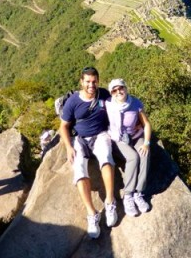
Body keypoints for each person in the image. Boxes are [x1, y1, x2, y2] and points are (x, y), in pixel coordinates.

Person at [59, 67, 118, 239]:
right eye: (87, 82)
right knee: (79, 171)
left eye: (94, 81)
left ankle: (109, 201)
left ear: (98, 81)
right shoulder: (73, 102)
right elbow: (63, 126)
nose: (91, 85)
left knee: (106, 159)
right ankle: (92, 213)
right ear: (81, 82)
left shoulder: (104, 94)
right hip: (80, 139)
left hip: (100, 135)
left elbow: (120, 105)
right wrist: (69, 147)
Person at [106, 78, 152, 217]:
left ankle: (138, 192)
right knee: (133, 157)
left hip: (135, 136)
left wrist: (146, 143)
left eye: (121, 88)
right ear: (111, 93)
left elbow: (147, 124)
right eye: (114, 90)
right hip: (117, 139)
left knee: (144, 154)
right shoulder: (107, 104)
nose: (118, 92)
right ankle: (128, 194)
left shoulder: (135, 103)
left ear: (126, 88)